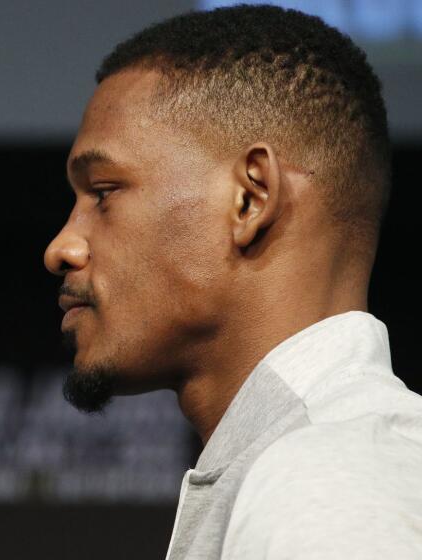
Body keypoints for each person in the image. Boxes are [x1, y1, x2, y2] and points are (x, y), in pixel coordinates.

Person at [44, 5, 422, 559]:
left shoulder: (327, 480)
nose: (62, 247)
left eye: (103, 192)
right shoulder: (309, 460)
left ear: (250, 198)